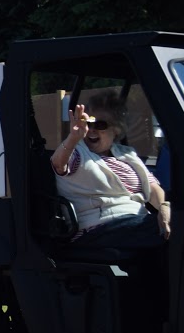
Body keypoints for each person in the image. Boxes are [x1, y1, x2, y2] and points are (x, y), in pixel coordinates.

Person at [52, 96, 169, 248]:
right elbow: (58, 164)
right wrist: (72, 138)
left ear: (116, 129)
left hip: (134, 222)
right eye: (88, 123)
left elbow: (153, 188)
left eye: (100, 124)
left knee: (181, 225)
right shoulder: (77, 153)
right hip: (98, 229)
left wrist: (164, 208)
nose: (91, 129)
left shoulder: (126, 153)